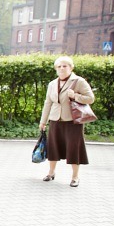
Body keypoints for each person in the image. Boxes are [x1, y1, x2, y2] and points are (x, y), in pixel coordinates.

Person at [39, 56, 95, 187]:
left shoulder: (79, 81)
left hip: (72, 121)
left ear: (71, 67)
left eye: (65, 66)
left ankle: (75, 177)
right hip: (55, 120)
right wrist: (43, 121)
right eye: (59, 66)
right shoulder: (52, 83)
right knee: (53, 147)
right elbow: (47, 103)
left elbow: (90, 98)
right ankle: (51, 172)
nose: (62, 68)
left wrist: (75, 96)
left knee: (74, 149)